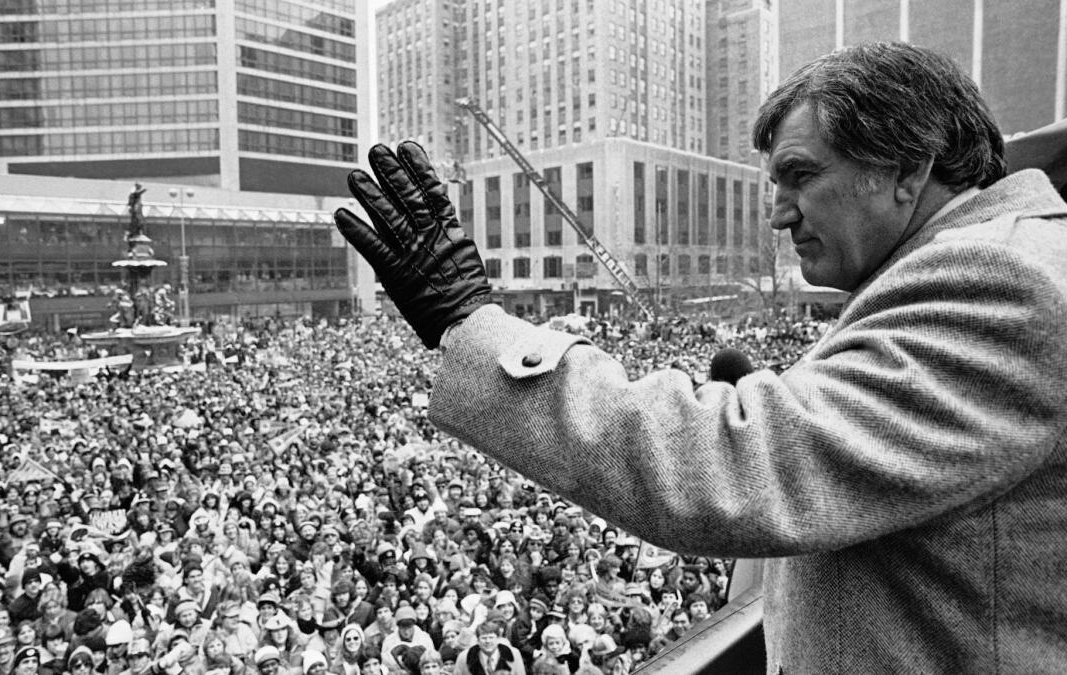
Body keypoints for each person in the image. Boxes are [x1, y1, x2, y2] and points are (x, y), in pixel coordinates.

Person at [334, 41, 1067, 672]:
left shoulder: (1000, 280)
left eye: (802, 175)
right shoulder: (988, 262)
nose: (779, 213)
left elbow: (738, 466)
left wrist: (474, 323)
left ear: (908, 168)